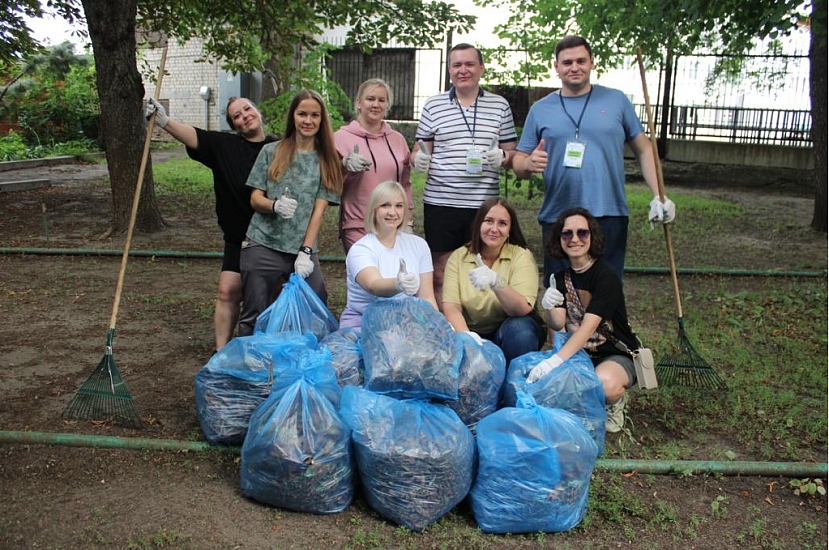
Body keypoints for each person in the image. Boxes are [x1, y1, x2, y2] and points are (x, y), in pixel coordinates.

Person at [512, 35, 676, 284]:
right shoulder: (540, 109)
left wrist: (658, 195)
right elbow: (519, 162)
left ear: (592, 62)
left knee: (606, 291)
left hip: (608, 213)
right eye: (567, 62)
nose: (574, 67)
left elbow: (644, 150)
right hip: (559, 215)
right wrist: (526, 164)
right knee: (560, 295)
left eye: (581, 60)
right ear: (556, 66)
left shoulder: (616, 101)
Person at [144, 96, 276, 352]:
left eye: (248, 108)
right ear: (234, 125)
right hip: (240, 237)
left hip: (274, 239)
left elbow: (312, 160)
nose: (244, 115)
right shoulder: (224, 146)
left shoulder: (279, 147)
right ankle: (221, 352)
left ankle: (269, 349)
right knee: (228, 291)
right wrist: (164, 121)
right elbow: (195, 136)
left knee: (272, 296)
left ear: (258, 111)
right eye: (237, 115)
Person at [411, 43, 518, 306]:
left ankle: (476, 330)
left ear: (481, 68)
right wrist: (418, 158)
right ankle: (445, 331)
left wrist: (504, 158)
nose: (463, 70)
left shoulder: (500, 105)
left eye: (469, 64)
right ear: (449, 71)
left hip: (483, 205)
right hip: (441, 201)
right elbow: (419, 148)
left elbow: (513, 154)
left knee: (480, 270)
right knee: (440, 272)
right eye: (457, 65)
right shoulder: (433, 105)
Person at [236, 89, 342, 336]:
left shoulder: (327, 160)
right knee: (254, 312)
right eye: (302, 114)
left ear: (322, 119)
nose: (308, 121)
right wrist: (274, 205)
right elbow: (255, 198)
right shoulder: (271, 151)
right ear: (293, 116)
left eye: (315, 115)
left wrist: (305, 251)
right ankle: (252, 363)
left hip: (302, 249)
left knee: (316, 301)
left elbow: (319, 210)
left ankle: (302, 360)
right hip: (264, 242)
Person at [529, 207, 641, 433]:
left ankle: (615, 401)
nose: (575, 239)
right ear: (559, 239)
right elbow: (557, 324)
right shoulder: (561, 278)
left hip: (613, 354)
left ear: (592, 237)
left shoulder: (605, 277)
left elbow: (587, 328)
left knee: (603, 385)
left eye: (582, 233)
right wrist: (549, 304)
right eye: (567, 234)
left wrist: (554, 361)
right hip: (578, 356)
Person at [442, 197, 543, 365]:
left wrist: (497, 282)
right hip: (470, 330)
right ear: (478, 224)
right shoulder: (459, 257)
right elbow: (451, 307)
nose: (494, 229)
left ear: (510, 229)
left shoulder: (521, 256)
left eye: (502, 223)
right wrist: (469, 341)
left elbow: (522, 308)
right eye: (488, 221)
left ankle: (514, 383)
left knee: (521, 330)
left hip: (508, 329)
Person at [341, 181, 437, 329]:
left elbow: (427, 297)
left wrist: (438, 326)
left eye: (398, 206)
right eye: (385, 205)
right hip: (363, 325)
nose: (392, 212)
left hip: (404, 324)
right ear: (374, 209)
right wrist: (398, 284)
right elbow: (374, 285)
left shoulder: (419, 245)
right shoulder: (360, 249)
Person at [334, 79, 413, 253]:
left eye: (382, 100)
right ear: (358, 103)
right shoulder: (340, 138)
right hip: (358, 224)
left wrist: (407, 220)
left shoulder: (397, 140)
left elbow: (405, 184)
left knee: (392, 277)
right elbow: (328, 181)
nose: (376, 104)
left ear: (387, 105)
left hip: (393, 224)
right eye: (370, 99)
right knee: (366, 278)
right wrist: (343, 165)